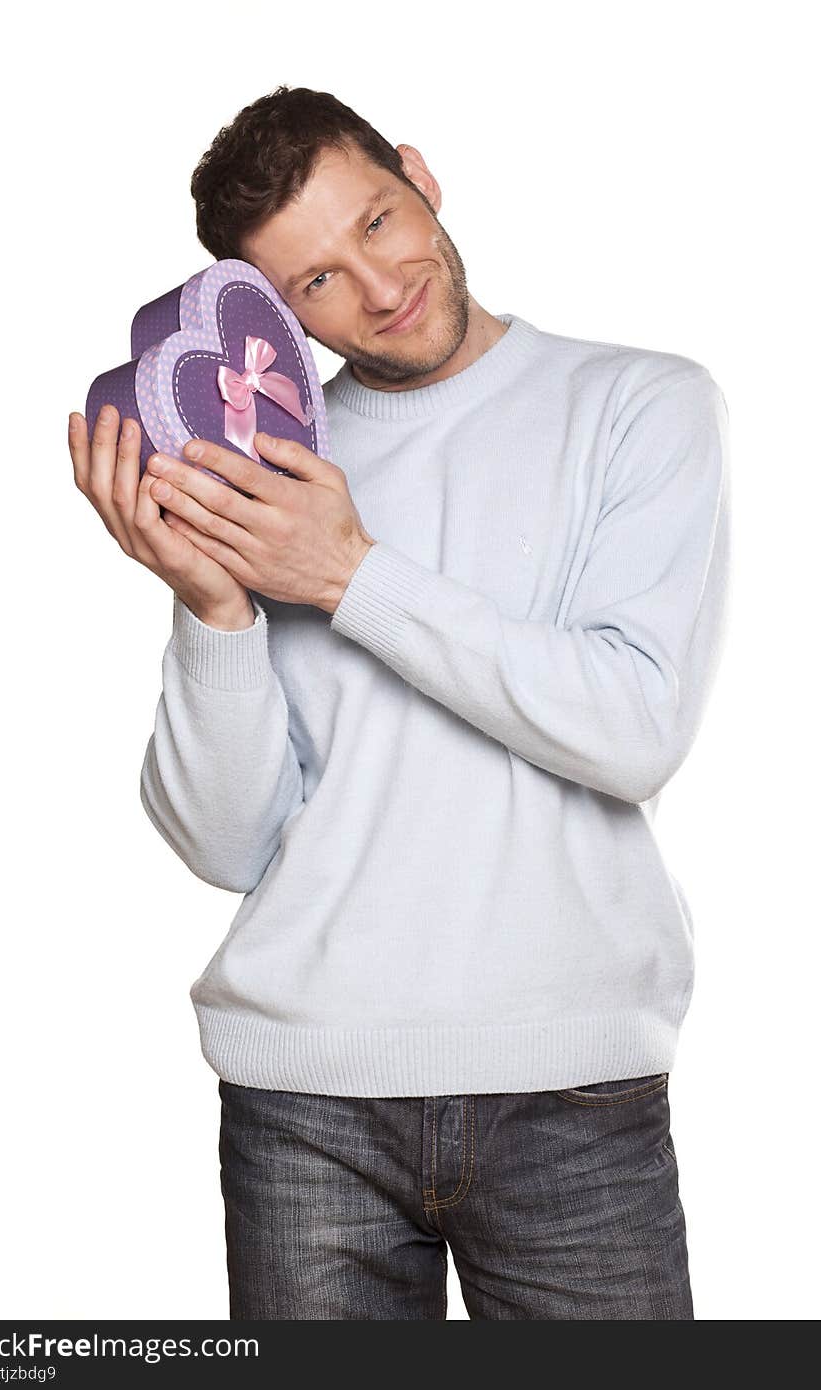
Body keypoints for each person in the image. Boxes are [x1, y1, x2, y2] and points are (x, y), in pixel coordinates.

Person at [69, 85, 731, 1320]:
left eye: (377, 221)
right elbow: (226, 845)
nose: (375, 288)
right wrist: (213, 602)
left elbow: (633, 728)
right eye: (314, 281)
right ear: (271, 310)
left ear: (419, 175)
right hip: (302, 1095)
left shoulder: (641, 404)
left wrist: (349, 574)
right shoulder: (268, 468)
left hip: (572, 1087)